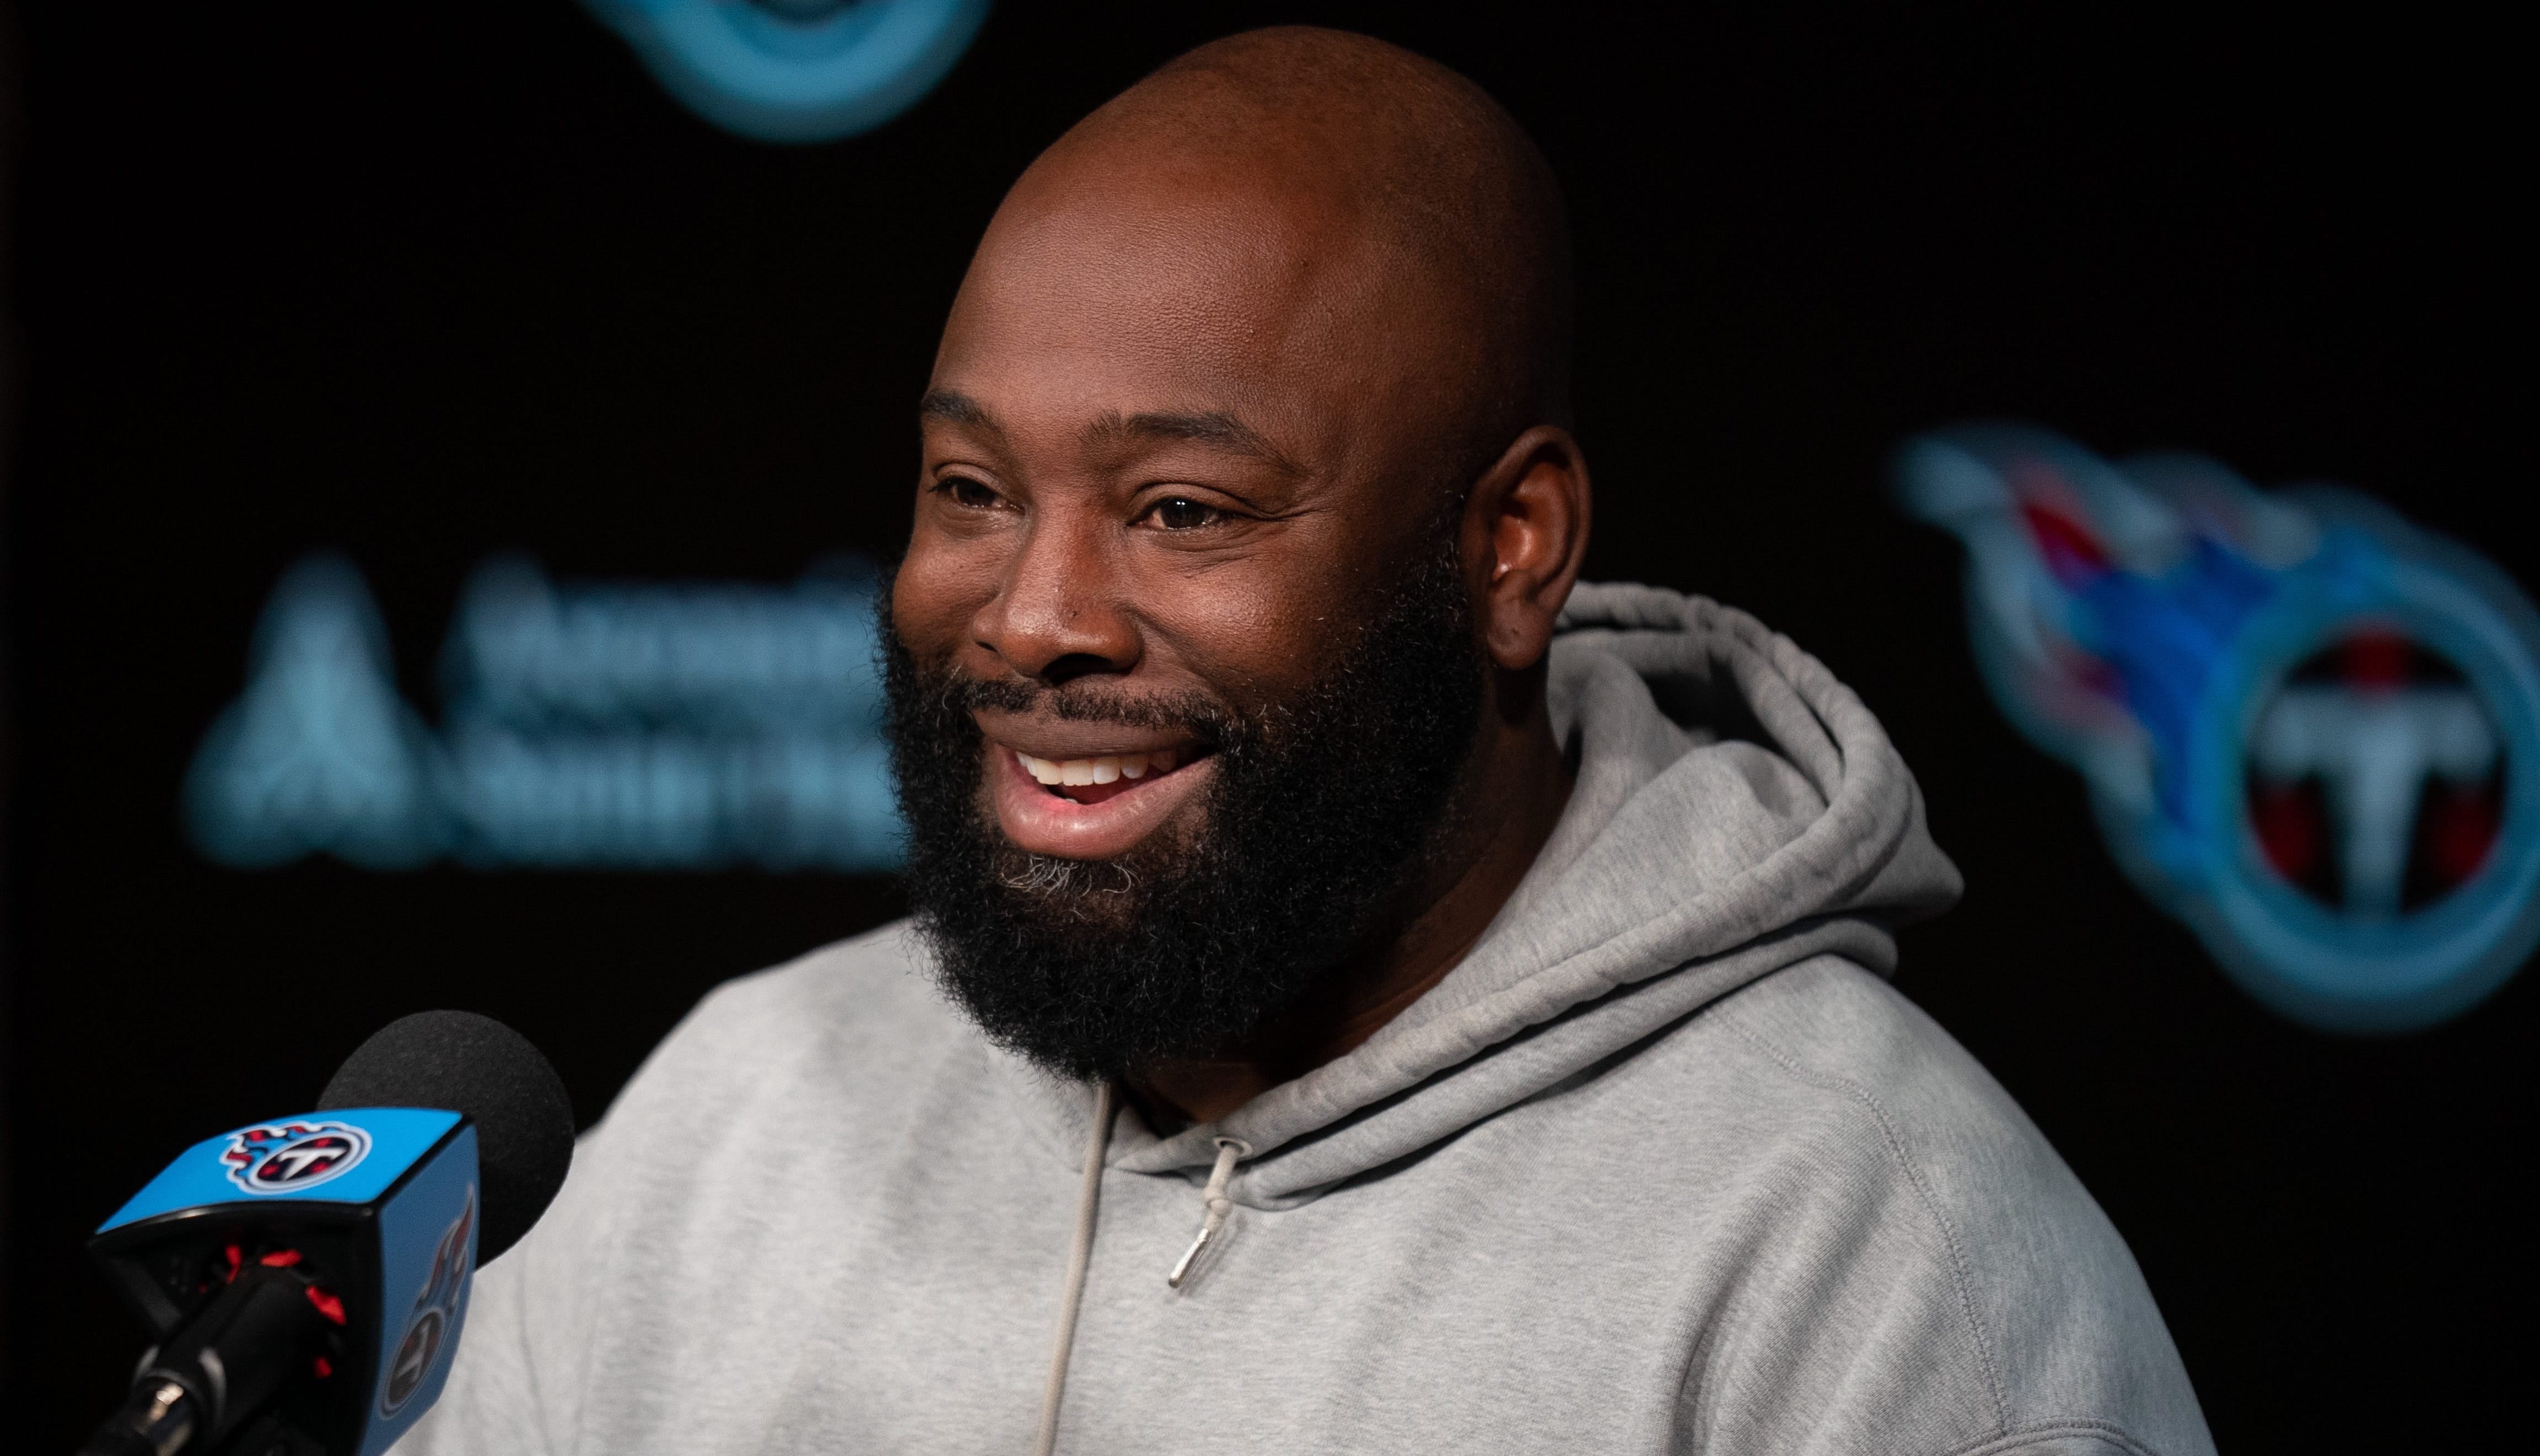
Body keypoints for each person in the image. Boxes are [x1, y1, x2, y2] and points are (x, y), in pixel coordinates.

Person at [403, 26, 2213, 1456]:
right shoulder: (735, 1119)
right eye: (972, 489)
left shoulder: (1874, 1259)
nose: (1034, 615)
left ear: (1511, 549)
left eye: (1184, 510)